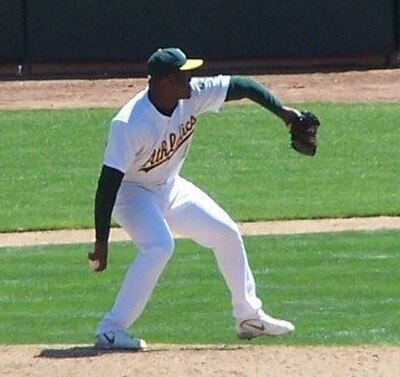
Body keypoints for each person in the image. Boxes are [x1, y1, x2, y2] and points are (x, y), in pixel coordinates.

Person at [88, 47, 302, 350]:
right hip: (132, 194)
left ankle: (248, 315)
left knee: (226, 233)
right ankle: (111, 328)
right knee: (159, 245)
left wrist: (284, 113)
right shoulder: (129, 123)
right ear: (163, 81)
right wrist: (102, 242)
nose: (191, 79)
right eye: (183, 75)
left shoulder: (191, 95)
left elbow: (241, 86)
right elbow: (108, 184)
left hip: (170, 187)